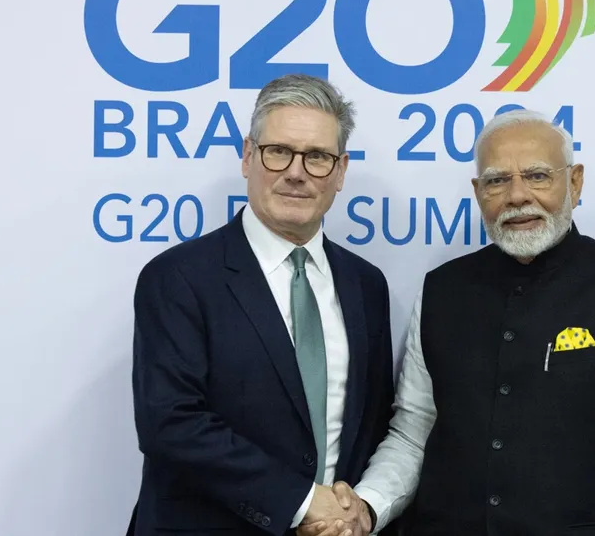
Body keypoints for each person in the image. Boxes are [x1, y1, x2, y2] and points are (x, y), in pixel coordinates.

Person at [314, 109, 595, 535]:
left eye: (537, 176)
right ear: (478, 193)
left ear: (575, 183)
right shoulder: (441, 290)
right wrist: (367, 507)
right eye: (497, 181)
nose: (516, 196)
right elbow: (413, 434)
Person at [126, 74, 394, 536]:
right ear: (249, 156)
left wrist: (349, 513)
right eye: (278, 151)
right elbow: (170, 424)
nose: (296, 172)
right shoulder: (178, 277)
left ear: (341, 171)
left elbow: (370, 425)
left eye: (317, 157)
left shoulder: (366, 285)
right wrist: (303, 503)